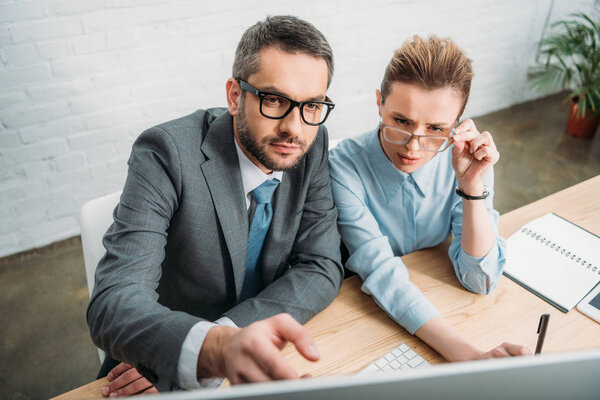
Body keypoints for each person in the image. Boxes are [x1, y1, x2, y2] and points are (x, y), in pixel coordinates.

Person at [87, 15, 343, 396]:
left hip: (251, 356)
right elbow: (113, 302)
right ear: (235, 96)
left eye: (312, 105)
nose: (295, 127)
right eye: (275, 100)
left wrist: (229, 333)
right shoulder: (165, 152)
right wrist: (209, 349)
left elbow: (321, 266)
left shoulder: (312, 142)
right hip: (156, 365)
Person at [328, 35, 531, 362]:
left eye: (436, 129)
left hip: (439, 303)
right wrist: (469, 355)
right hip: (368, 315)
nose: (412, 147)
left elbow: (480, 279)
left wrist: (472, 186)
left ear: (458, 125)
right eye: (401, 121)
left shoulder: (467, 160)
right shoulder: (342, 167)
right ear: (380, 103)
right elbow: (381, 272)